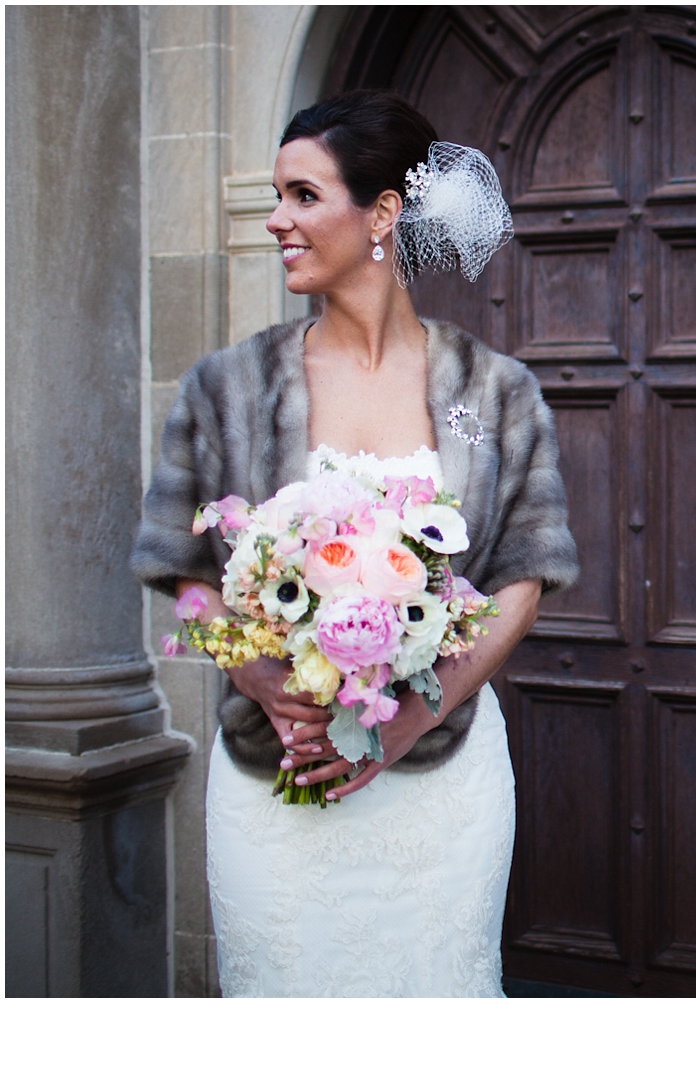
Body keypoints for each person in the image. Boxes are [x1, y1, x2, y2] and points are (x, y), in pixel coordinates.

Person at [131, 91, 578, 997]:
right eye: (276, 195)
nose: (276, 219)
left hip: (441, 789)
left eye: (302, 195)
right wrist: (261, 675)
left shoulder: (494, 395)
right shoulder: (225, 388)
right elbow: (180, 576)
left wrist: (417, 710)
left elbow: (525, 580)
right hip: (276, 777)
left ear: (381, 213)